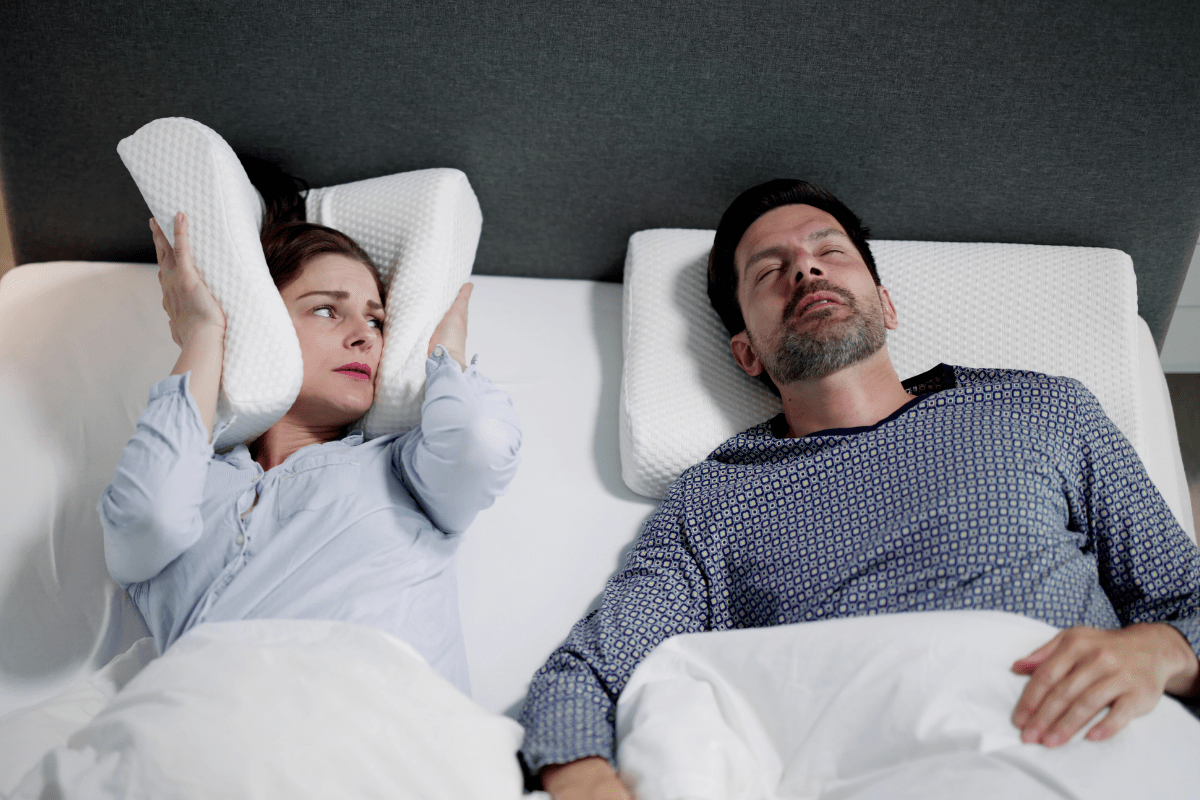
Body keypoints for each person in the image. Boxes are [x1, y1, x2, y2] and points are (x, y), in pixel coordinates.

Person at [519, 179, 1200, 798]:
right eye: (769, 271)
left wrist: (1159, 651)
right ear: (747, 352)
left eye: (829, 252)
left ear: (887, 303)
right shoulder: (714, 501)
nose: (805, 270)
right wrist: (585, 781)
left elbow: (1185, 599)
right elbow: (590, 673)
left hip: (1069, 740)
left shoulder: (1043, 410)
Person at [99, 165, 520, 695]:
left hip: (383, 719)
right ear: (262, 329)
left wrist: (445, 351)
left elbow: (480, 442)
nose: (365, 337)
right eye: (326, 310)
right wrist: (204, 332)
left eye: (376, 320)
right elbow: (147, 519)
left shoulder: (404, 468)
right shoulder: (192, 480)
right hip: (216, 719)